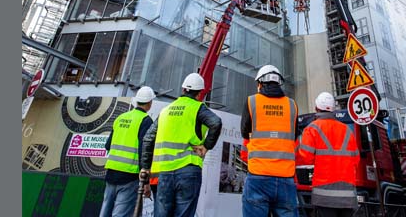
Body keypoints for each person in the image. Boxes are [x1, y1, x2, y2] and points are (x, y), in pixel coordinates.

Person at [140, 73, 222, 217]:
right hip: (188, 171)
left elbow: (148, 138)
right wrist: (206, 147)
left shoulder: (166, 111)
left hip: (164, 174)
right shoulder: (197, 108)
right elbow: (216, 122)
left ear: (183, 89)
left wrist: (146, 168)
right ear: (199, 93)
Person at [240, 65, 299, 217]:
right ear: (279, 83)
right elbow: (294, 136)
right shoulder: (292, 105)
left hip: (258, 175)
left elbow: (244, 133)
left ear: (260, 84)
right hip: (286, 178)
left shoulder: (251, 102)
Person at [296, 92, 360, 217]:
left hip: (324, 196)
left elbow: (306, 158)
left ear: (316, 108)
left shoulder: (312, 128)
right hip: (347, 195)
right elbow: (355, 161)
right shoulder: (347, 130)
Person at [100, 86, 157, 217]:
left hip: (111, 173)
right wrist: (146, 182)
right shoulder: (146, 121)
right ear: (149, 103)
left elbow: (108, 145)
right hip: (129, 177)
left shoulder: (121, 117)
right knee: (121, 214)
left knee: (105, 212)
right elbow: (145, 151)